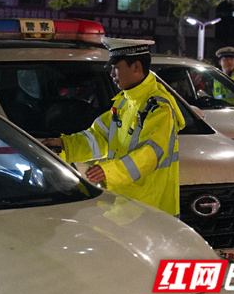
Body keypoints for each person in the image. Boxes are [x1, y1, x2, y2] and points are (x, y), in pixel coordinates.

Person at [42, 38, 185, 216]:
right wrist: (64, 146)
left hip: (151, 208)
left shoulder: (159, 108)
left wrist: (109, 172)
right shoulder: (125, 102)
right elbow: (99, 137)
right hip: (127, 203)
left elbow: (150, 153)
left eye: (116, 67)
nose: (112, 74)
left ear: (136, 67)